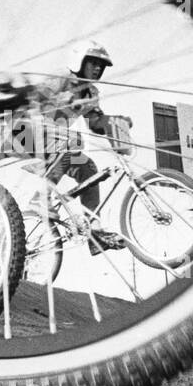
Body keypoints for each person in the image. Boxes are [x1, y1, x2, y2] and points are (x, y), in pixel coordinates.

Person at [31, 40, 132, 254]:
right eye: (93, 63)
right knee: (72, 140)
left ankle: (95, 234)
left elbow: (95, 123)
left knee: (90, 170)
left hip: (58, 144)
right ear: (80, 62)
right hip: (27, 132)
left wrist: (115, 121)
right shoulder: (62, 78)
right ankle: (40, 198)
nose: (97, 68)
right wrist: (61, 98)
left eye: (100, 65)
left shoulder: (90, 92)